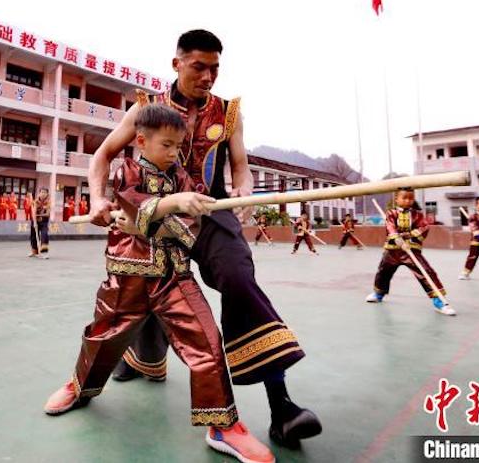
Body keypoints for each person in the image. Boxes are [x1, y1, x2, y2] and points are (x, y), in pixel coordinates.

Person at [86, 30, 320, 446]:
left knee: (240, 281)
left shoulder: (228, 113)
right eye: (199, 66)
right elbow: (101, 155)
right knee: (141, 289)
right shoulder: (146, 109)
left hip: (210, 214)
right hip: (157, 215)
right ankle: (141, 358)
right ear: (176, 63)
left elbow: (241, 165)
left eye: (215, 68)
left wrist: (244, 188)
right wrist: (98, 199)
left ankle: (281, 406)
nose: (208, 76)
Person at [44, 104, 275, 463]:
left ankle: (223, 425)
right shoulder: (128, 171)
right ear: (141, 141)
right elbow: (134, 208)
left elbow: (189, 229)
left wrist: (184, 208)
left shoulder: (182, 179)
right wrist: (170, 205)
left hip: (173, 276)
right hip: (128, 276)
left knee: (207, 341)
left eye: (178, 146)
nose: (174, 153)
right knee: (102, 337)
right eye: (166, 145)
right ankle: (79, 388)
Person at [364, 188, 456, 315]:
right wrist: (396, 237)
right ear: (396, 199)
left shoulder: (417, 215)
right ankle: (379, 293)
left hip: (411, 250)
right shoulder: (391, 213)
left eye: (410, 198)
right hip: (392, 251)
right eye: (404, 198)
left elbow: (424, 227)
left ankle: (439, 301)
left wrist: (409, 236)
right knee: (383, 272)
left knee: (426, 272)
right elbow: (390, 226)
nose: (408, 201)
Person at [33, 187, 51, 258]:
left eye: (45, 192)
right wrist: (34, 221)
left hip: (44, 221)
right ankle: (34, 252)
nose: (43, 194)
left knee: (44, 235)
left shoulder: (48, 202)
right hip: (35, 220)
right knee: (33, 236)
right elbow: (33, 212)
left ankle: (44, 253)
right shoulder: (35, 201)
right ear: (39, 193)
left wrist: (37, 215)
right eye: (42, 192)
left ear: (47, 194)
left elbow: (47, 214)